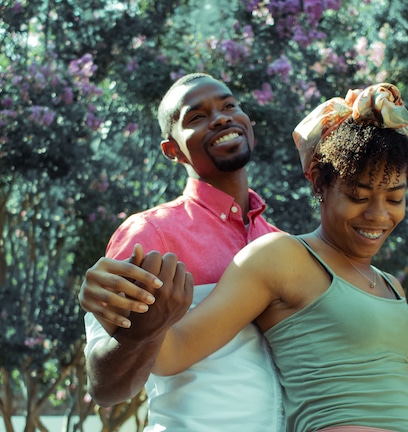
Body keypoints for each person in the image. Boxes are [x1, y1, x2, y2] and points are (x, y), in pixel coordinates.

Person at [149, 83, 408, 432]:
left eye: (394, 198)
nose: (378, 215)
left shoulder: (390, 286)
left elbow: (400, 390)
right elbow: (174, 351)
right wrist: (121, 308)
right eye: (358, 196)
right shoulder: (281, 256)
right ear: (317, 184)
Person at [79, 73, 287, 431]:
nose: (221, 118)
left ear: (249, 124)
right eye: (196, 117)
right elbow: (107, 388)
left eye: (229, 106)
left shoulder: (283, 244)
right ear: (172, 150)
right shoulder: (149, 234)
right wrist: (140, 334)